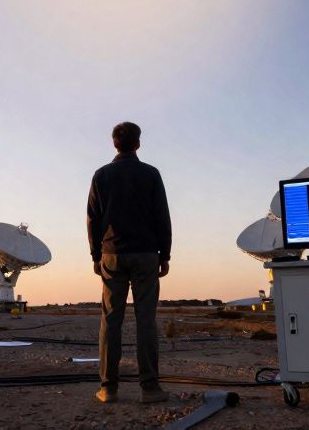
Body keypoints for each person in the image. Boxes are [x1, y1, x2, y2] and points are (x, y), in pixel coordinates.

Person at [86, 121, 172, 404]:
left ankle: (108, 388)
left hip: (112, 254)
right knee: (146, 321)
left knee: (111, 321)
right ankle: (150, 388)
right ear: (138, 143)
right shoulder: (151, 174)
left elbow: (93, 219)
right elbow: (162, 215)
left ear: (114, 143)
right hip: (146, 253)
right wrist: (165, 254)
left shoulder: (101, 176)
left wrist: (96, 256)